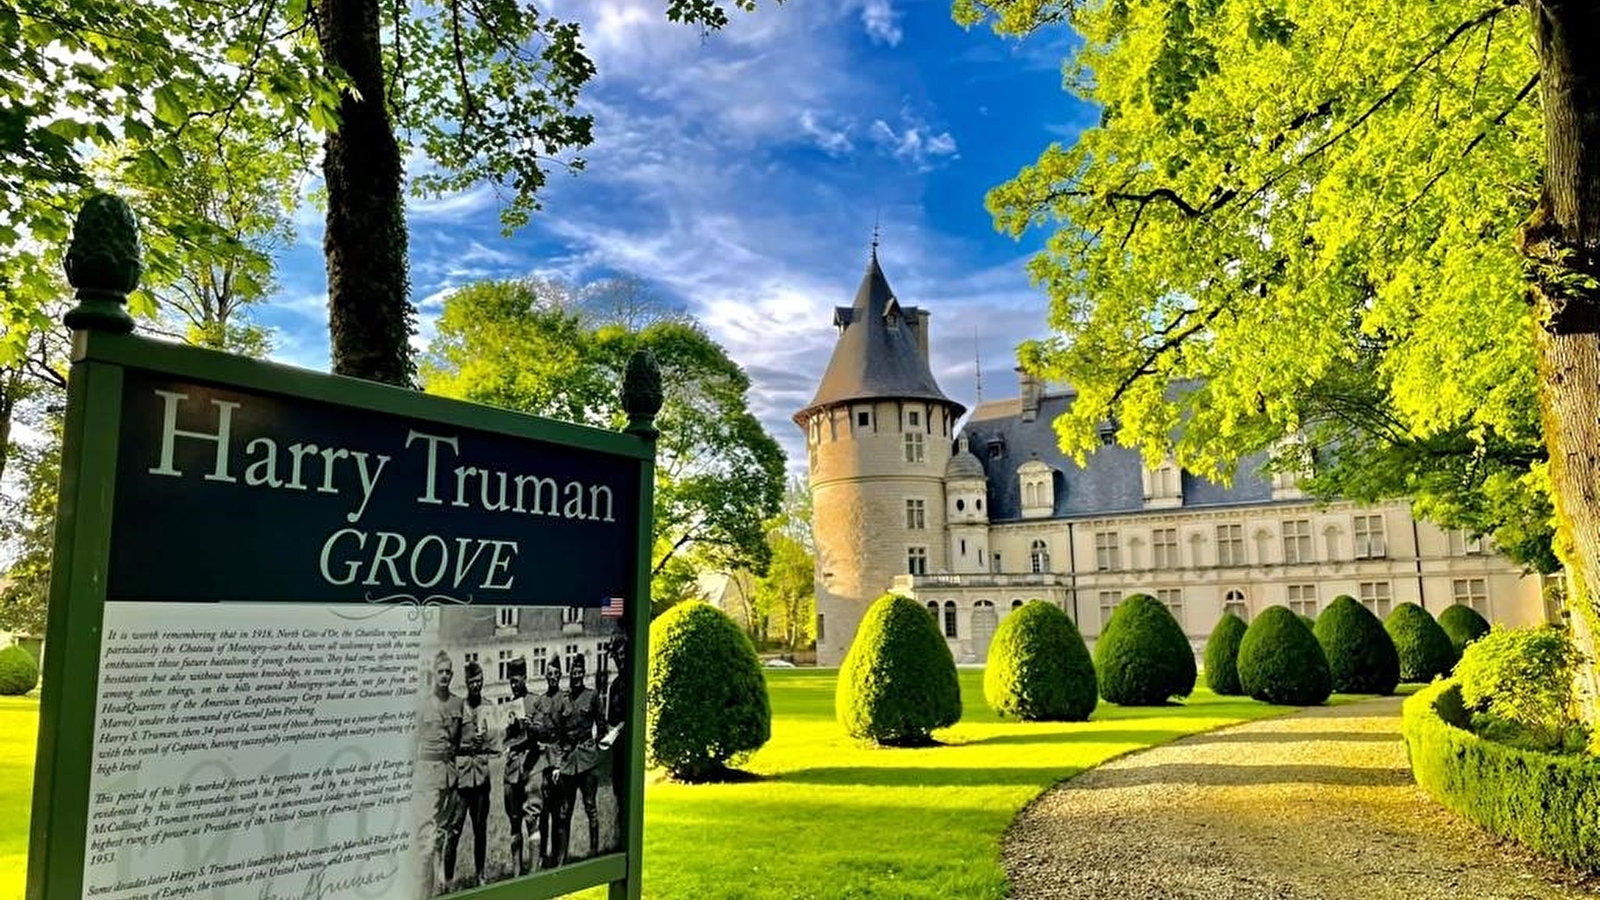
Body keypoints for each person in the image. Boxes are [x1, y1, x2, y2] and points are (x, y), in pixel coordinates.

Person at [502, 656, 566, 875]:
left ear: (525, 678)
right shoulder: (508, 706)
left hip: (533, 765)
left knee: (532, 818)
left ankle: (533, 871)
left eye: (517, 679)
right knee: (514, 819)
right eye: (511, 680)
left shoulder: (536, 701)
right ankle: (517, 872)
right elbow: (503, 739)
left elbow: (546, 732)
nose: (514, 683)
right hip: (512, 769)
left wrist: (532, 728)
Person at [417, 651, 464, 896]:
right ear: (434, 674)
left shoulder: (458, 704)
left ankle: (438, 889)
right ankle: (424, 893)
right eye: (440, 671)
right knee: (426, 839)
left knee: (442, 835)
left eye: (448, 671)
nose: (444, 675)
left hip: (449, 774)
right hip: (427, 775)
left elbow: (457, 742)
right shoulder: (422, 704)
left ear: (452, 674)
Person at [556, 653, 605, 862]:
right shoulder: (563, 699)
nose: (576, 676)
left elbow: (601, 725)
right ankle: (562, 856)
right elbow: (559, 733)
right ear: (570, 674)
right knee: (565, 811)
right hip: (569, 761)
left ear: (583, 673)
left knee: (590, 806)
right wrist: (559, 762)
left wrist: (595, 748)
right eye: (573, 672)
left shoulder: (592, 696)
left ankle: (594, 852)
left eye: (579, 672)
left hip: (587, 760)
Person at [452, 660, 494, 888]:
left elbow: (496, 742)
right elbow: (451, 742)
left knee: (481, 828)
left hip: (482, 776)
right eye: (472, 681)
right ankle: (448, 880)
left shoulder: (489, 705)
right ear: (466, 683)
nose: (476, 685)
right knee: (455, 829)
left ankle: (480, 874)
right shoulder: (459, 707)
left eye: (479, 680)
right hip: (462, 777)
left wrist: (485, 740)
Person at [601, 635, 628, 849]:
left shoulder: (633, 681)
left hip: (630, 747)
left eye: (623, 655)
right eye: (617, 656)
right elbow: (610, 719)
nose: (620, 659)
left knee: (628, 794)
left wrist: (619, 728)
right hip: (617, 748)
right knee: (618, 791)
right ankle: (619, 837)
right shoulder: (615, 686)